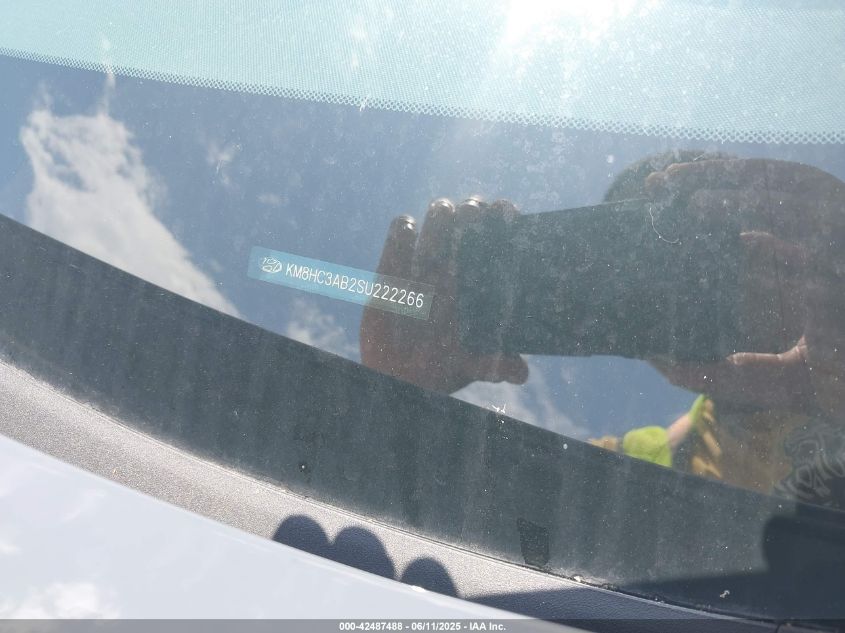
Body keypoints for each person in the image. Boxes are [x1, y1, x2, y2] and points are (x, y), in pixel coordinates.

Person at [359, 154, 845, 509]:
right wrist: (399, 405)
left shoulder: (637, 484)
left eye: (717, 236)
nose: (704, 280)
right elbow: (454, 525)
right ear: (640, 349)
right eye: (648, 285)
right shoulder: (635, 476)